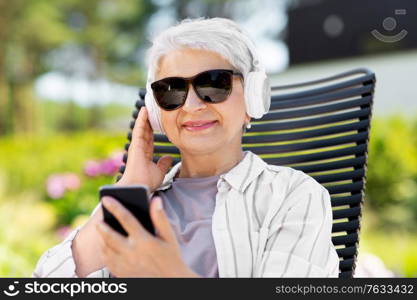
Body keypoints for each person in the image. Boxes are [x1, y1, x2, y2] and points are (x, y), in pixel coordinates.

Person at [32, 17, 340, 278]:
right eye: (171, 90)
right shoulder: (140, 199)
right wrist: (130, 188)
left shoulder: (293, 196)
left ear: (254, 97)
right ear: (155, 111)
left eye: (214, 84)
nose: (191, 106)